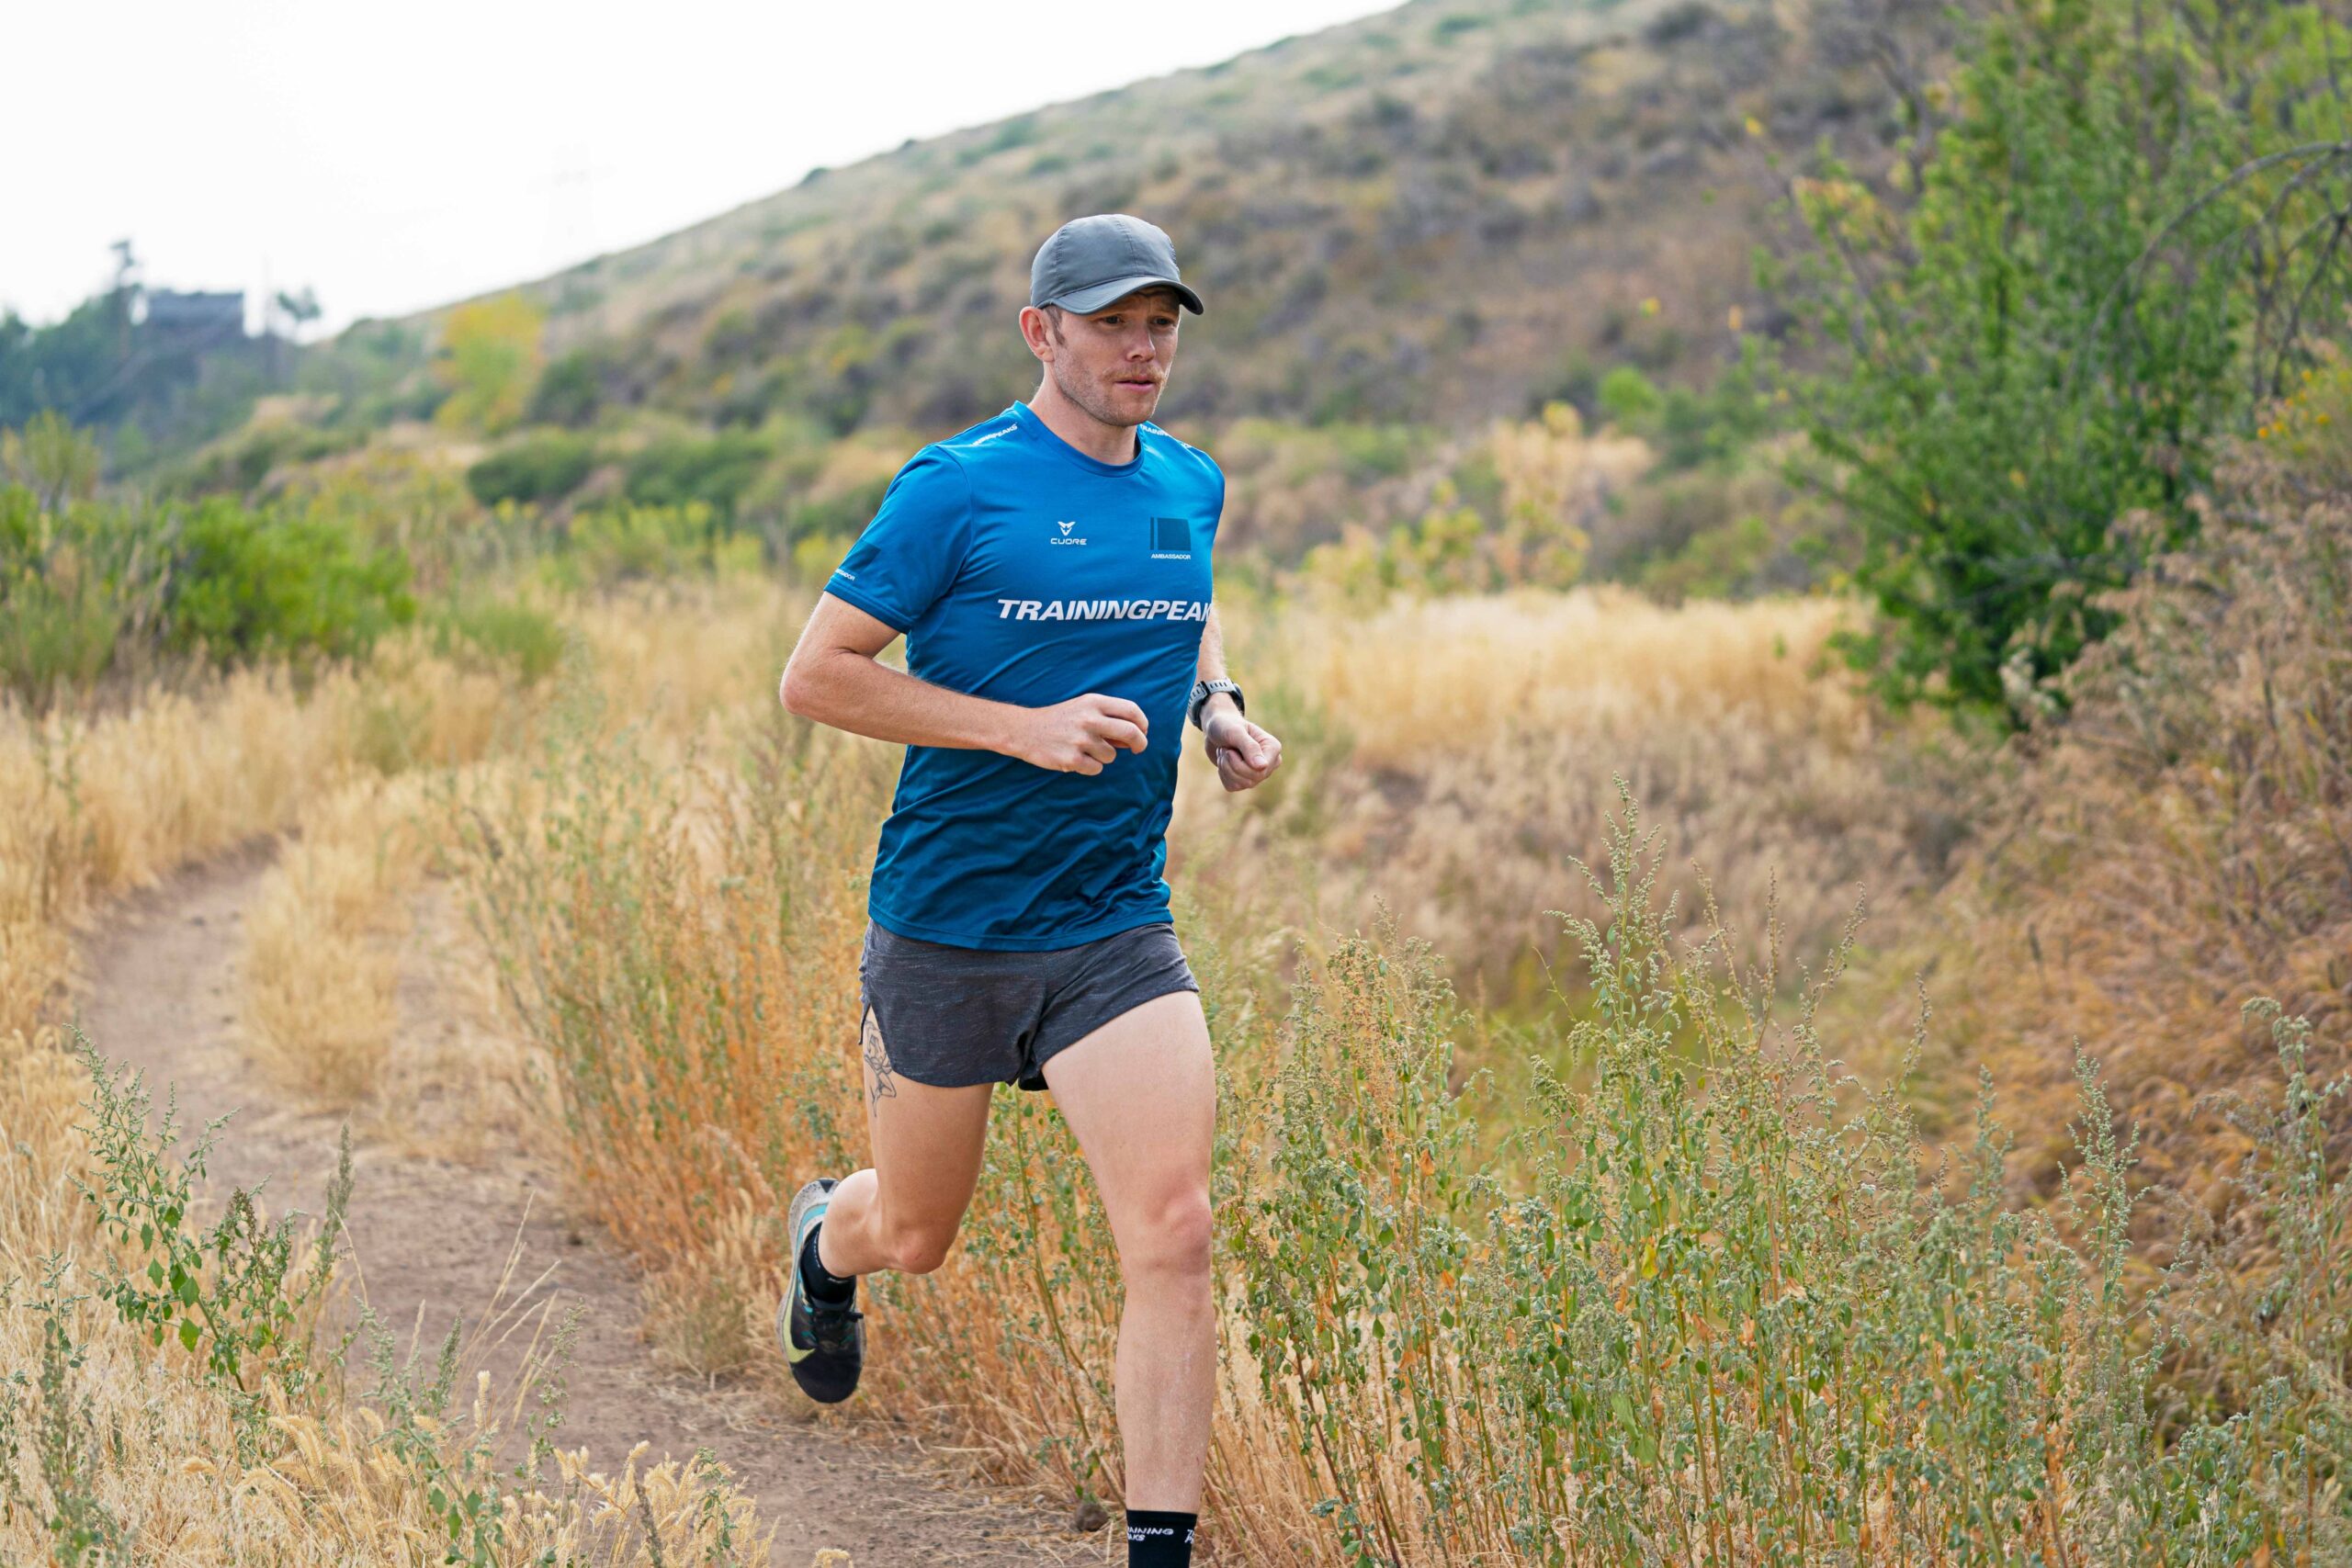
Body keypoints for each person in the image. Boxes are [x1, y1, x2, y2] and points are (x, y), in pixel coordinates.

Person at [773, 212, 1281, 1567]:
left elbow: (1188, 595)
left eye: (1161, 323)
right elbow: (816, 674)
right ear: (1041, 332)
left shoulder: (1189, 482)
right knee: (920, 1233)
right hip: (948, 926)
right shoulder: (957, 489)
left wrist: (1218, 706)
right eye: (1112, 323)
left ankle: (1156, 1551)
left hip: (1116, 925)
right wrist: (1025, 727)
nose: (1142, 348)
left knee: (1175, 1232)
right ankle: (828, 1241)